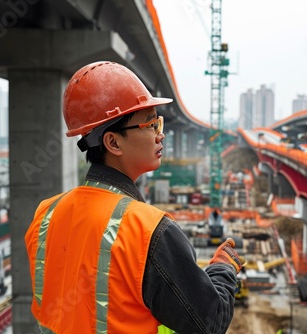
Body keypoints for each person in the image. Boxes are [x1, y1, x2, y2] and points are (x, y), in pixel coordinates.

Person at [25, 61, 243, 333]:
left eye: (158, 122)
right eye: (151, 124)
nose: (160, 134)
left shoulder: (45, 214)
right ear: (113, 142)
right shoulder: (148, 230)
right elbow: (210, 322)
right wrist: (224, 268)